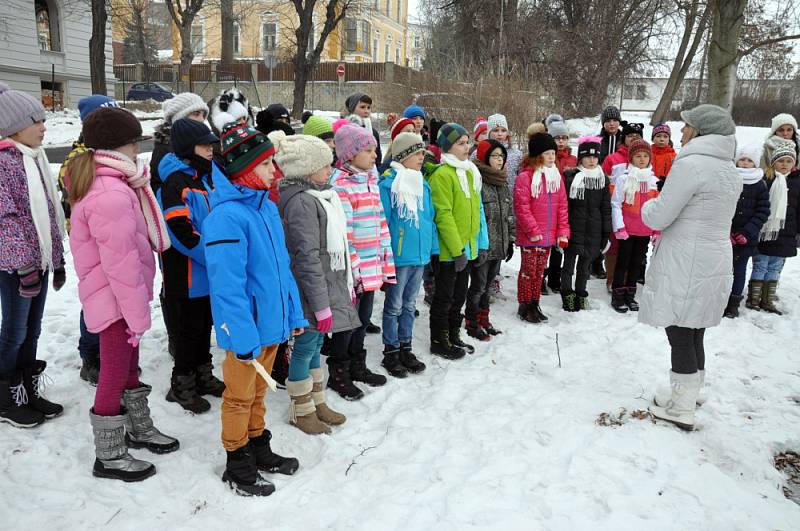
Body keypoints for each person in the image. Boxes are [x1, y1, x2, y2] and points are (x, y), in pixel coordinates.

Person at [68, 107, 178, 480]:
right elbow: (120, 264)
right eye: (135, 144)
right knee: (114, 371)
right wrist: (135, 312)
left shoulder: (118, 185)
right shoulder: (109, 193)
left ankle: (138, 427)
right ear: (120, 147)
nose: (138, 152)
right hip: (114, 299)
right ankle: (109, 453)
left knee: (129, 365)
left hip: (119, 297)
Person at [205, 121, 304, 496]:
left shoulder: (265, 209)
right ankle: (237, 461)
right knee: (239, 396)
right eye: (265, 165)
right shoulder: (226, 218)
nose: (274, 172)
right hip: (246, 331)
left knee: (259, 393)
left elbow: (283, 271)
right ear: (245, 170)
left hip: (273, 324)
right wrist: (240, 336)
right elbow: (227, 288)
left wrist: (293, 315)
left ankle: (258, 446)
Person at [640, 104, 741, 430]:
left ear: (701, 131)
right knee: (695, 327)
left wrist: (648, 204)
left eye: (686, 127)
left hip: (687, 259)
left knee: (680, 329)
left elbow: (660, 215)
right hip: (713, 256)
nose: (681, 132)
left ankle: (681, 408)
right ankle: (691, 392)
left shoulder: (692, 166)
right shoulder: (729, 169)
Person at [275, 132, 357, 432]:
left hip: (325, 285)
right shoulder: (301, 203)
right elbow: (306, 256)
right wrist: (321, 306)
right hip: (310, 290)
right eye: (325, 165)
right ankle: (301, 408)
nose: (330, 169)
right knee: (306, 345)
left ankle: (317, 399)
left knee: (317, 342)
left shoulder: (321, 197)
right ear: (306, 169)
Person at [0, 82, 66, 428]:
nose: (43, 127)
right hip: (14, 267)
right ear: (12, 126)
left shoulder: (34, 158)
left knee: (33, 329)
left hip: (37, 261)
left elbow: (50, 216)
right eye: (35, 121)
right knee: (13, 331)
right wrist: (23, 264)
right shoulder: (2, 163)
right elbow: (5, 220)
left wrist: (56, 259)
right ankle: (5, 398)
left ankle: (25, 390)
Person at [157, 118, 226, 414]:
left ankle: (202, 374)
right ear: (188, 148)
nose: (211, 150)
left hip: (207, 272)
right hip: (185, 273)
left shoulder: (204, 178)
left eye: (211, 144)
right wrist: (211, 254)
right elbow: (180, 230)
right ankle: (181, 383)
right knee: (188, 330)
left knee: (204, 326)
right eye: (204, 145)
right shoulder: (176, 183)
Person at [58, 94, 120, 386]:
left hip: (112, 237)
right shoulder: (77, 159)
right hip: (89, 241)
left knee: (115, 296)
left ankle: (109, 352)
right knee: (96, 296)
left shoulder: (110, 153)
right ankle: (90, 355)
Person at [330, 124, 395, 387]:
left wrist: (384, 260)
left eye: (375, 150)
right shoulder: (341, 186)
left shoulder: (370, 181)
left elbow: (381, 223)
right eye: (368, 150)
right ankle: (339, 372)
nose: (375, 156)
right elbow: (345, 235)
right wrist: (354, 269)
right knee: (347, 322)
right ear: (350, 153)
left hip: (371, 267)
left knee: (363, 320)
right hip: (352, 271)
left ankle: (358, 364)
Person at [428, 123, 489, 358]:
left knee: (459, 296)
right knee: (444, 298)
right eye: (461, 143)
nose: (467, 147)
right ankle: (439, 339)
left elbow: (478, 210)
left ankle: (454, 334)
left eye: (467, 142)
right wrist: (457, 250)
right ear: (447, 147)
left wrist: (480, 244)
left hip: (468, 249)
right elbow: (443, 215)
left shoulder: (471, 171)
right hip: (449, 252)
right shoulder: (442, 175)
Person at [379, 132, 435, 374]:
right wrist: (387, 254)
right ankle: (390, 350)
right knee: (394, 305)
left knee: (410, 304)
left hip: (419, 256)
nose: (422, 157)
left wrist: (431, 249)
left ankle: (405, 345)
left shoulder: (422, 183)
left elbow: (429, 219)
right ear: (403, 155)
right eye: (417, 153)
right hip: (399, 256)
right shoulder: (389, 184)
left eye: (423, 152)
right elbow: (385, 222)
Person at [514, 133, 569, 323]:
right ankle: (525, 304)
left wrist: (562, 232)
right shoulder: (525, 177)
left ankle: (535, 302)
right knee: (528, 271)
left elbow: (562, 207)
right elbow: (522, 208)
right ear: (537, 155)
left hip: (548, 235)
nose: (552, 157)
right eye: (547, 153)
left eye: (553, 153)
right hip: (531, 236)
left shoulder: (556, 178)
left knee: (540, 272)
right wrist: (533, 231)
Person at [465, 139, 515, 339]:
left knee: (487, 286)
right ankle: (471, 320)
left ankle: (484, 318)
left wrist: (510, 239)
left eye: (502, 156)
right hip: (483, 245)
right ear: (485, 157)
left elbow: (508, 214)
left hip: (499, 244)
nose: (499, 160)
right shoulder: (477, 180)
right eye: (495, 156)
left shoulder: (502, 182)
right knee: (478, 286)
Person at [746, 141, 800, 314]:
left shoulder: (797, 182)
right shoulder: (766, 179)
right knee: (761, 264)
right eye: (781, 161)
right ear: (773, 162)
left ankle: (767, 299)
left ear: (794, 163)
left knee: (775, 267)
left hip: (786, 232)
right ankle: (754, 298)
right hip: (765, 230)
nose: (784, 164)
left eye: (788, 161)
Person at [560, 137, 611, 311]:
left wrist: (606, 234)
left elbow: (605, 209)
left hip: (593, 230)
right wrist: (562, 231)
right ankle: (567, 295)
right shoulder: (570, 178)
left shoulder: (602, 179)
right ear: (580, 158)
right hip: (574, 229)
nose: (591, 160)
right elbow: (564, 206)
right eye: (587, 157)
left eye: (595, 157)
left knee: (584, 267)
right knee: (568, 265)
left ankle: (581, 294)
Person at [609, 139, 659, 313]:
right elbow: (616, 204)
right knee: (623, 262)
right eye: (638, 156)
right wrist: (619, 227)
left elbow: (657, 207)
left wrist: (656, 229)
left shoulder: (653, 181)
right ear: (631, 158)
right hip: (627, 230)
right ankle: (618, 294)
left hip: (644, 230)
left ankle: (630, 295)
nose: (642, 159)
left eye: (646, 156)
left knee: (636, 264)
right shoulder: (624, 179)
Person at [724, 145, 770, 318]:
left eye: (749, 160)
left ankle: (733, 303)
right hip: (724, 236)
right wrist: (725, 231)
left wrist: (746, 232)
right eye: (742, 159)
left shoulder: (760, 185)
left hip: (746, 238)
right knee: (722, 271)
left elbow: (763, 211)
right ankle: (720, 301)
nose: (745, 163)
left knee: (739, 270)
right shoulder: (729, 179)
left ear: (755, 164)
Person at [150, 92, 209, 192]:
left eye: (203, 115)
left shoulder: (198, 143)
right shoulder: (165, 150)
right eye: (196, 114)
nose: (202, 120)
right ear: (179, 118)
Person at [542, 119, 576, 293]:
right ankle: (541, 276)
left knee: (559, 245)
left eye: (564, 138)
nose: (561, 141)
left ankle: (555, 277)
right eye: (557, 138)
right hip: (548, 206)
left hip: (566, 207)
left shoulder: (573, 159)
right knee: (545, 244)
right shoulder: (548, 157)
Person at [487, 113, 523, 189]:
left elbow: (522, 180)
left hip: (511, 198)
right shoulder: (479, 153)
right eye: (496, 130)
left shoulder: (517, 154)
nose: (500, 134)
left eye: (503, 130)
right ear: (489, 133)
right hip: (488, 198)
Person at [343, 92, 382, 162]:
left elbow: (378, 158)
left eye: (369, 107)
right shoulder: (343, 130)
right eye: (362, 107)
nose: (366, 111)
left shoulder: (373, 132)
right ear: (352, 109)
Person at [651, 123, 676, 187]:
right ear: (653, 139)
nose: (662, 139)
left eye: (665, 136)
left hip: (667, 188)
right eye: (658, 136)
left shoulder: (674, 156)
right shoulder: (647, 154)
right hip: (650, 186)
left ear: (669, 139)